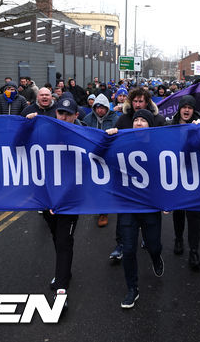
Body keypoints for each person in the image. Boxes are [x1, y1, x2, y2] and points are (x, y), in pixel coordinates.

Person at [28, 97, 84, 311]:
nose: (64, 117)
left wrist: (112, 136)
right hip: (48, 198)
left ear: (76, 116)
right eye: (60, 113)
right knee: (56, 236)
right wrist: (27, 123)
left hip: (70, 200)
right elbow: (17, 145)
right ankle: (65, 272)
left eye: (68, 114)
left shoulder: (83, 134)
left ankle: (62, 288)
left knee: (63, 241)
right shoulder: (44, 131)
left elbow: (98, 156)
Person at [105, 109, 165, 309]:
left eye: (143, 120)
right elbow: (98, 156)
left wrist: (167, 201)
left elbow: (169, 173)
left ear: (150, 125)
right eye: (136, 120)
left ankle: (156, 256)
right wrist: (108, 138)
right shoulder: (121, 143)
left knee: (153, 244)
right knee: (129, 249)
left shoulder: (158, 146)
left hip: (150, 205)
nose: (139, 123)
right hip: (128, 205)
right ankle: (132, 289)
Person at [167, 95, 200, 270]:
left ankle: (194, 250)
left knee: (194, 215)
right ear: (179, 109)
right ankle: (179, 238)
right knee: (179, 211)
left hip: (195, 176)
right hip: (177, 175)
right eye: (184, 107)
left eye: (190, 107)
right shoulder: (170, 126)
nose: (187, 110)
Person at [84, 94, 119, 228]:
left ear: (107, 108)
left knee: (106, 184)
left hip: (109, 156)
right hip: (93, 155)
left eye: (103, 107)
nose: (100, 110)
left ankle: (103, 211)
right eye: (97, 107)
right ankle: (99, 206)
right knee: (95, 184)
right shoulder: (88, 119)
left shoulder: (115, 118)